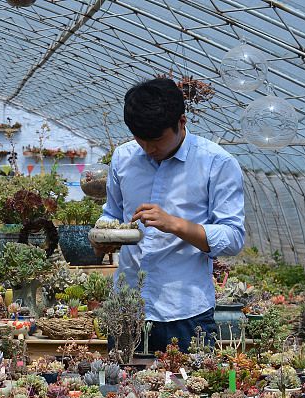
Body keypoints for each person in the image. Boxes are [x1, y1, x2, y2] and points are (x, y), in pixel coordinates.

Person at [91, 77, 245, 353]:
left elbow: (233, 238)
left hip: (185, 313)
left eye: (157, 140)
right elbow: (111, 212)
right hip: (127, 309)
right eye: (141, 140)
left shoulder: (216, 163)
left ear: (181, 122)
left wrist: (174, 224)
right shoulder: (123, 158)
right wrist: (103, 236)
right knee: (120, 381)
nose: (149, 149)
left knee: (191, 382)